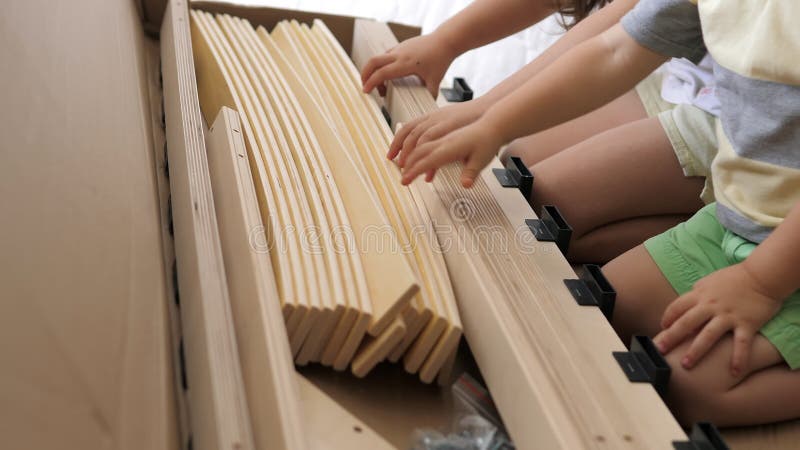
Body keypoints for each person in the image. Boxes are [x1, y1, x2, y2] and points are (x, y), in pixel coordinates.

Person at [393, 0, 800, 426]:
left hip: (782, 244)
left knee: (688, 386)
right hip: (743, 208)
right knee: (602, 313)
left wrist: (760, 284)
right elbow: (613, 52)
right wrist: (492, 123)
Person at [363, 0, 719, 263]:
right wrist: (446, 42)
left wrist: (486, 114)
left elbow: (612, 44)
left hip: (736, 124)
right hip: (679, 75)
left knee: (547, 215)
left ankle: (736, 226)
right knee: (519, 167)